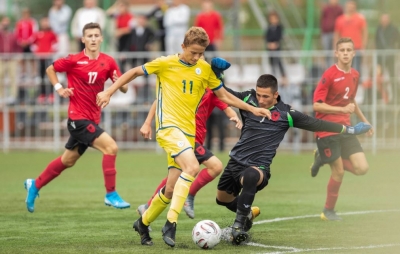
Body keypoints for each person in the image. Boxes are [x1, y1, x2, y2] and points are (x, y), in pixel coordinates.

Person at [95, 26, 271, 247]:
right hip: (168, 128)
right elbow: (133, 73)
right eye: (193, 52)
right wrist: (109, 91)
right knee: (192, 168)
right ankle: (171, 223)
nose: (197, 57)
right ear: (183, 47)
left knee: (170, 189)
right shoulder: (165, 63)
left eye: (201, 53)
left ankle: (143, 222)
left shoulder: (204, 68)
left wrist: (252, 109)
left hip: (188, 134)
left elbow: (223, 95)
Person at [211, 63, 371, 245]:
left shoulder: (287, 114)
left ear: (275, 95)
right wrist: (217, 74)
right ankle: (246, 212)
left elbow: (317, 124)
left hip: (258, 168)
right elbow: (224, 93)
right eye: (258, 95)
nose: (260, 100)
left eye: (265, 96)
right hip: (235, 162)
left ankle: (238, 227)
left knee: (250, 175)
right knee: (222, 199)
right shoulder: (248, 98)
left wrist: (350, 130)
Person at [24, 22, 130, 213]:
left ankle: (35, 184)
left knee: (67, 161)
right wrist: (60, 89)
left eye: (96, 35)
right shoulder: (73, 60)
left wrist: (119, 83)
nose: (93, 39)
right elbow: (50, 69)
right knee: (111, 147)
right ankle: (111, 194)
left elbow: (123, 87)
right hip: (77, 120)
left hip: (92, 119)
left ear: (101, 38)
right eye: (89, 36)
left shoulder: (108, 61)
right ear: (83, 39)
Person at [137, 87, 242, 222]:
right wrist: (147, 123)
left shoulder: (211, 92)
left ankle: (147, 207)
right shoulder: (185, 85)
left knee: (173, 180)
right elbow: (159, 101)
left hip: (196, 139)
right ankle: (189, 195)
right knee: (215, 166)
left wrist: (236, 118)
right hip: (185, 139)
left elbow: (226, 107)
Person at [309, 37, 374, 221]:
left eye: (349, 50)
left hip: (346, 128)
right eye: (342, 50)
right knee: (338, 171)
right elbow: (317, 105)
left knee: (362, 168)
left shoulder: (355, 74)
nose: (345, 53)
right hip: (327, 129)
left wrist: (365, 121)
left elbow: (351, 101)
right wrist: (341, 110)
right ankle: (328, 211)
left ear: (354, 53)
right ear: (336, 53)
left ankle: (324, 158)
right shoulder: (329, 75)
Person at [334, 0, 367, 77]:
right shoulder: (340, 19)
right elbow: (336, 35)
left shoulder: (360, 18)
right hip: (344, 49)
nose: (350, 8)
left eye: (352, 6)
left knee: (357, 69)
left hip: (357, 48)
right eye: (349, 6)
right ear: (346, 7)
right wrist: (335, 48)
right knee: (344, 69)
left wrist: (363, 46)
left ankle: (357, 86)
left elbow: (365, 33)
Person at [375, 13, 399, 104]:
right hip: (380, 58)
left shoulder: (393, 29)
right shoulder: (379, 30)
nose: (384, 21)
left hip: (391, 57)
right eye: (383, 20)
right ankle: (383, 97)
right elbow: (376, 42)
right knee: (379, 77)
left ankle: (395, 97)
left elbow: (397, 40)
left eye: (386, 19)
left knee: (393, 77)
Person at [265, 11, 287, 86]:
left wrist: (275, 44)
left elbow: (279, 36)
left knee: (278, 62)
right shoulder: (269, 28)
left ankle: (283, 76)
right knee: (271, 63)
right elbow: (267, 37)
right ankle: (272, 77)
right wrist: (269, 44)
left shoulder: (279, 28)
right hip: (270, 48)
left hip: (277, 48)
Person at [320, 0, 343, 68]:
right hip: (326, 33)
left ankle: (336, 67)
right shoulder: (326, 9)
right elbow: (322, 19)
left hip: (335, 33)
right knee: (327, 51)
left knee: (335, 51)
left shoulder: (339, 9)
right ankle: (327, 67)